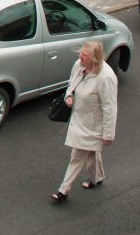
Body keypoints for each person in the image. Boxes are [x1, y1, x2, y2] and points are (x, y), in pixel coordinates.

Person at [50, 41, 118, 204]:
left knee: (78, 155)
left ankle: (63, 191)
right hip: (79, 120)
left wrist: (108, 134)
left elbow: (110, 107)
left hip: (93, 126)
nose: (80, 56)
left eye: (84, 55)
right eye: (80, 52)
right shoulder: (78, 65)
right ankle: (98, 178)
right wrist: (68, 96)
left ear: (94, 59)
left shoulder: (106, 78)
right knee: (91, 153)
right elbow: (71, 84)